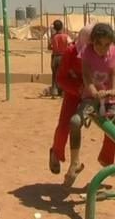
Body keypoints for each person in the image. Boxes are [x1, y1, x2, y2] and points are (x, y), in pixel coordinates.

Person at [70, 23, 115, 191]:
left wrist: (114, 91)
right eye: (100, 44)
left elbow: (114, 73)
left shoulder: (113, 52)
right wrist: (92, 90)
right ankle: (75, 162)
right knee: (75, 122)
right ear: (94, 42)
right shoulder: (87, 52)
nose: (104, 48)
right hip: (91, 97)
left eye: (107, 44)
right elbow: (86, 75)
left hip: (110, 98)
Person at [48, 26, 91, 183]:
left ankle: (110, 162)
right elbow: (60, 79)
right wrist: (77, 88)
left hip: (95, 93)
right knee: (65, 125)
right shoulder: (71, 52)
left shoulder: (106, 51)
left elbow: (114, 70)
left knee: (112, 123)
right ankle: (56, 152)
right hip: (74, 92)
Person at [48, 20, 72, 96]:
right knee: (64, 75)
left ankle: (54, 92)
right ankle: (63, 92)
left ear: (54, 28)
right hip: (63, 57)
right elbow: (70, 46)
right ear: (62, 27)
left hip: (55, 57)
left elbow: (49, 47)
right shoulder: (66, 36)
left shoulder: (53, 37)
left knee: (54, 75)